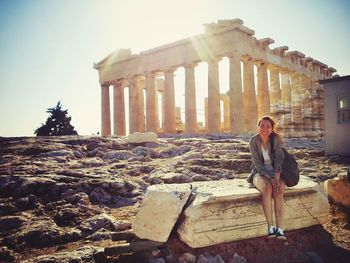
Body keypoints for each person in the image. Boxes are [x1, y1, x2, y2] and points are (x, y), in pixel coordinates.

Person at [247, 116, 287, 240]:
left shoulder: (275, 140)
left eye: (268, 127)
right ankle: (271, 227)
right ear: (258, 127)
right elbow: (257, 163)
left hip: (276, 172)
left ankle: (280, 229)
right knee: (267, 188)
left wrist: (276, 176)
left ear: (272, 129)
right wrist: (270, 177)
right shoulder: (253, 141)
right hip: (259, 173)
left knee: (279, 189)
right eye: (262, 126)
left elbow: (280, 158)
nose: (264, 129)